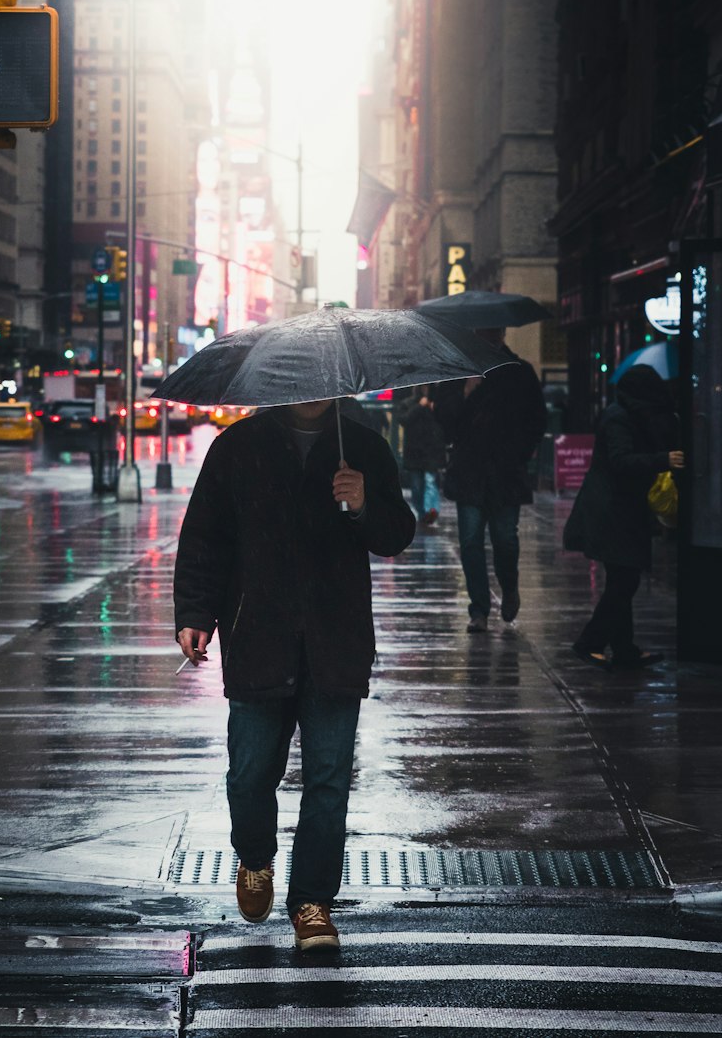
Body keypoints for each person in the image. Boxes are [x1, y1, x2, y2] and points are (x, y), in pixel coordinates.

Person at [174, 399, 415, 950]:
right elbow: (205, 535)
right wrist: (194, 613)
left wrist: (362, 504)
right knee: (251, 773)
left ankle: (312, 904)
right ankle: (255, 856)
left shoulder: (364, 447)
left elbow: (396, 533)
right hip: (259, 637)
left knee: (328, 781)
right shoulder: (239, 446)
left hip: (338, 641)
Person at [564, 364, 683, 669]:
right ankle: (589, 642)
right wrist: (662, 460)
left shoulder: (628, 415)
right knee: (624, 581)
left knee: (622, 579)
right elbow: (621, 461)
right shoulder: (619, 418)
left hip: (618, 510)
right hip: (612, 511)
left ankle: (624, 648)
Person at [432, 328, 547, 633]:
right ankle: (479, 609)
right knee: (470, 542)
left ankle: (509, 589)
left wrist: (519, 454)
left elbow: (537, 420)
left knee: (505, 539)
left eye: (493, 333)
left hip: (506, 472)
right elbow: (445, 422)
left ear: (502, 334)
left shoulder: (520, 372)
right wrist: (466, 393)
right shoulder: (457, 372)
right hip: (470, 472)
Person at [395, 386, 446, 527]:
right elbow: (404, 420)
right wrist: (419, 407)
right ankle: (422, 512)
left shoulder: (436, 403)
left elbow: (445, 421)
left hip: (431, 451)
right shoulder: (407, 403)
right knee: (416, 486)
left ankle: (431, 510)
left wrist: (434, 408)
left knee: (431, 481)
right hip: (415, 451)